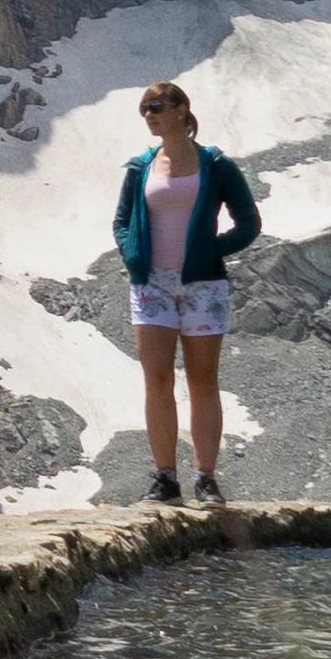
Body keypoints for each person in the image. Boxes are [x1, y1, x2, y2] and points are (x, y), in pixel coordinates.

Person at [114, 80, 259, 506]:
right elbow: (122, 220)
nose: (149, 115)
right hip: (151, 285)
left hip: (204, 284)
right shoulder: (141, 167)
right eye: (144, 109)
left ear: (181, 109)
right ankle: (165, 479)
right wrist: (133, 254)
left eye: (156, 106)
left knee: (202, 381)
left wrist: (211, 249)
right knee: (156, 379)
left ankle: (206, 478)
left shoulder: (215, 165)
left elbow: (248, 222)